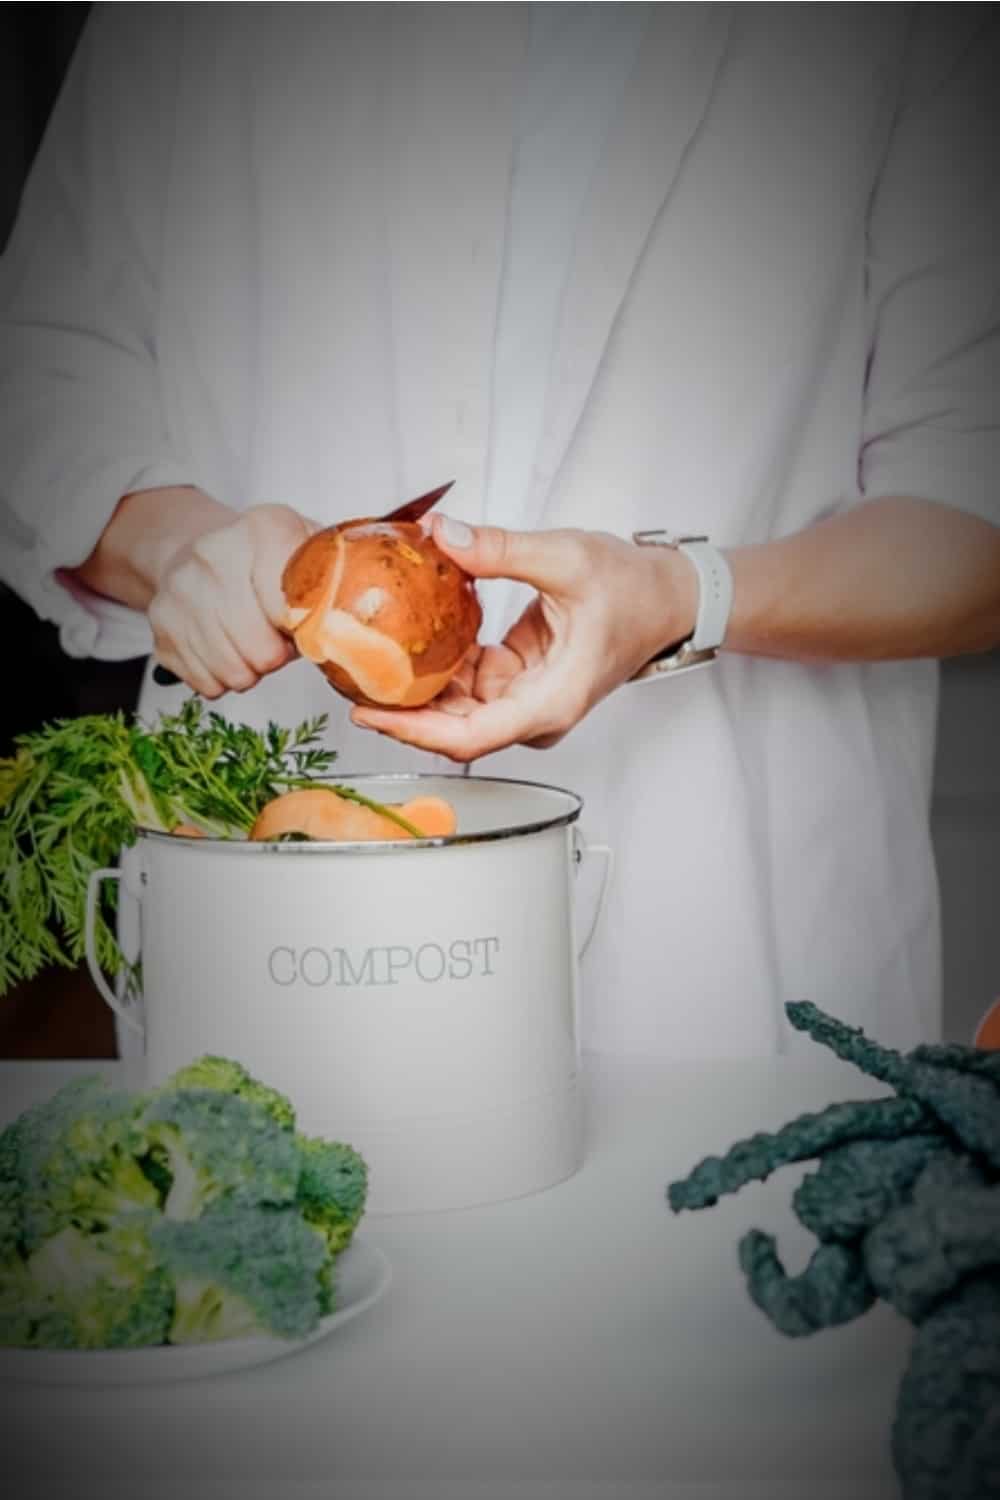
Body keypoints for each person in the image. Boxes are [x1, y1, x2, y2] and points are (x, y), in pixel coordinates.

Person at [1, 5, 998, 1060]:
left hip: (723, 925)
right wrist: (176, 548)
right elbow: (45, 365)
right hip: (277, 898)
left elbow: (971, 499)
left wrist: (683, 594)